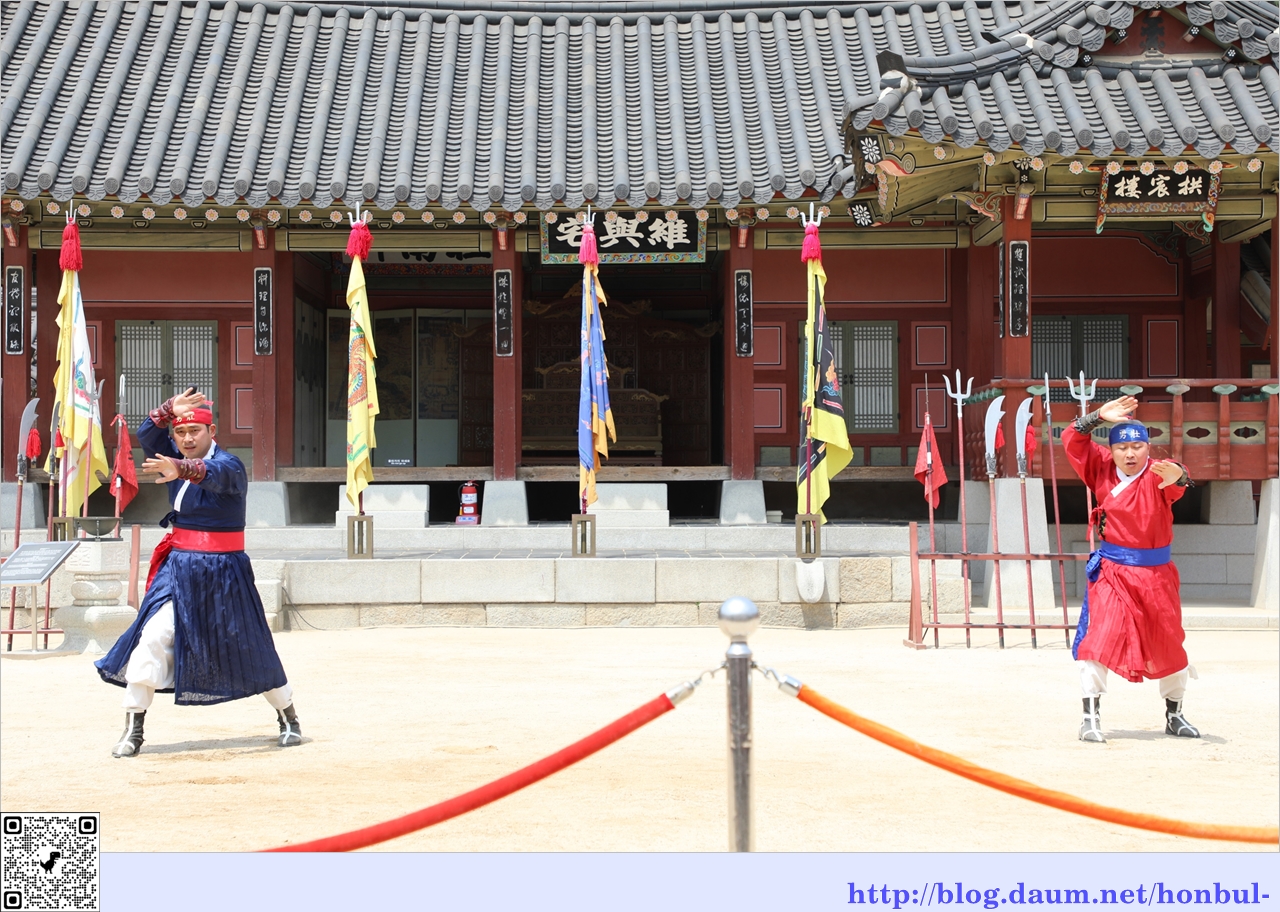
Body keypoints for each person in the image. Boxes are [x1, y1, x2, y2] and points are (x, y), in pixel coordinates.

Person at [95, 388, 302, 756]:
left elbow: (213, 475)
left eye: (195, 431)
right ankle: (133, 728)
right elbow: (146, 434)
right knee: (152, 636)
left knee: (248, 644)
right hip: (178, 567)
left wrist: (181, 469)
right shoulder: (172, 458)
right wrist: (166, 411)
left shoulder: (230, 465)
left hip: (224, 571)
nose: (187, 439)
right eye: (180, 433)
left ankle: (288, 716)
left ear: (212, 431)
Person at [1062, 395, 1199, 744]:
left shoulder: (1158, 473)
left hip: (1156, 576)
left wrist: (1181, 476)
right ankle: (1089, 718)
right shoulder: (1100, 467)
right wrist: (1097, 416)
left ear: (1147, 447)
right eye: (1122, 447)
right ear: (1112, 450)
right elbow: (1072, 439)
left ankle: (1175, 714)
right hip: (1111, 571)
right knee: (1098, 638)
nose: (1130, 454)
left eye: (1137, 446)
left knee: (1169, 642)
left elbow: (1178, 478)